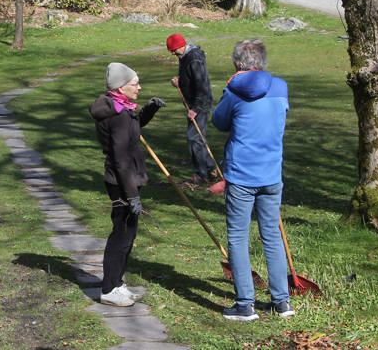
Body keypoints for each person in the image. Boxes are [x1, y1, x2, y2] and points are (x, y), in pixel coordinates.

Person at [212, 39, 295, 320]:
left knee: (237, 236)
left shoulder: (233, 91)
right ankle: (281, 301)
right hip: (272, 172)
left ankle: (245, 304)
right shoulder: (281, 87)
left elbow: (219, 122)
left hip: (242, 175)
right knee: (271, 235)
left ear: (238, 63)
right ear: (263, 62)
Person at [90, 62, 166, 306]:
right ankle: (109, 289)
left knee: (129, 233)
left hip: (127, 179)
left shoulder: (121, 108)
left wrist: (150, 110)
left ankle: (117, 282)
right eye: (135, 84)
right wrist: (132, 195)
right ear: (121, 87)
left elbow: (134, 127)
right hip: (122, 181)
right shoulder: (117, 115)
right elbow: (121, 160)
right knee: (121, 235)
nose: (139, 87)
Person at [167, 33, 214, 184]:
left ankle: (202, 173)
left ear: (182, 45)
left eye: (174, 50)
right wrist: (179, 82)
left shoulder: (194, 59)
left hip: (200, 104)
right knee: (197, 137)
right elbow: (190, 79)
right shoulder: (185, 57)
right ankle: (209, 168)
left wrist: (196, 108)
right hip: (193, 103)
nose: (173, 53)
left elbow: (202, 85)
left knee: (194, 137)